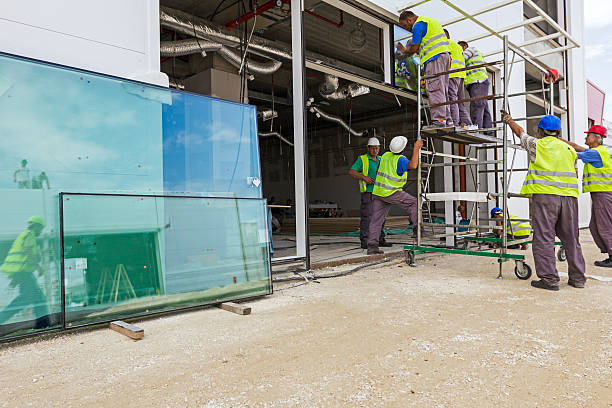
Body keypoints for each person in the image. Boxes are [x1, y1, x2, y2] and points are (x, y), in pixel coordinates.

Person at [501, 111, 586, 290]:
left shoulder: (536, 144)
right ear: (558, 132)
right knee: (571, 238)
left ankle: (549, 280)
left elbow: (520, 133)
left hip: (546, 196)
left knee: (544, 238)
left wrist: (509, 120)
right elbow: (575, 172)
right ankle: (578, 278)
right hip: (569, 198)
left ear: (540, 131)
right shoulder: (569, 149)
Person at [560, 124, 612, 267]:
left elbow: (573, 153)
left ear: (596, 138)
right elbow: (576, 146)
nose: (585, 137)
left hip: (603, 194)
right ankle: (609, 253)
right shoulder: (597, 151)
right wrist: (560, 140)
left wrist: (555, 145)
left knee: (604, 225)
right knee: (595, 226)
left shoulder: (596, 153)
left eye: (588, 135)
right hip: (600, 194)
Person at [367, 136, 423, 255]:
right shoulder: (401, 159)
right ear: (403, 148)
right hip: (391, 192)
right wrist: (417, 148)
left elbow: (378, 171)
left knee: (376, 220)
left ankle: (372, 246)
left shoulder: (385, 155)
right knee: (414, 203)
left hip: (378, 192)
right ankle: (418, 229)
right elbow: (413, 165)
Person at [397, 10, 451, 127]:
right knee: (443, 90)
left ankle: (439, 121)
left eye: (405, 25)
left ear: (410, 20)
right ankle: (448, 120)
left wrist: (405, 51)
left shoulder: (418, 25)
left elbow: (415, 48)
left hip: (434, 58)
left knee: (434, 89)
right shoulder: (430, 21)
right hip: (444, 57)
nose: (406, 28)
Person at [0, 216, 50, 331]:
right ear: (36, 226)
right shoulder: (29, 235)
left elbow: (22, 256)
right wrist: (38, 267)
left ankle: (43, 325)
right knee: (25, 300)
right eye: (40, 228)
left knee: (38, 299)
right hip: (24, 273)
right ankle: (43, 325)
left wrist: (15, 280)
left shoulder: (24, 235)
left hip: (22, 273)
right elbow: (27, 250)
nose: (41, 231)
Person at [349, 137, 392, 249]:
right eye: (372, 148)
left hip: (381, 192)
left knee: (381, 217)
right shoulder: (362, 159)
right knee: (367, 217)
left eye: (376, 148)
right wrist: (364, 177)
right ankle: (365, 241)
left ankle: (380, 239)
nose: (374, 150)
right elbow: (352, 171)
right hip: (368, 193)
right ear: (368, 148)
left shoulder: (382, 159)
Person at [458, 41, 493, 135]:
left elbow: (461, 58)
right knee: (483, 107)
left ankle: (476, 130)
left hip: (478, 82)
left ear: (465, 46)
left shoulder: (471, 49)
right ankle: (488, 131)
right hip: (478, 83)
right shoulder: (472, 54)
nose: (459, 50)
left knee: (477, 106)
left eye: (459, 48)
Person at [444, 30, 471, 127]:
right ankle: (467, 123)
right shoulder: (457, 46)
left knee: (452, 99)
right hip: (461, 75)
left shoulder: (447, 43)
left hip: (452, 74)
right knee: (460, 102)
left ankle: (454, 123)